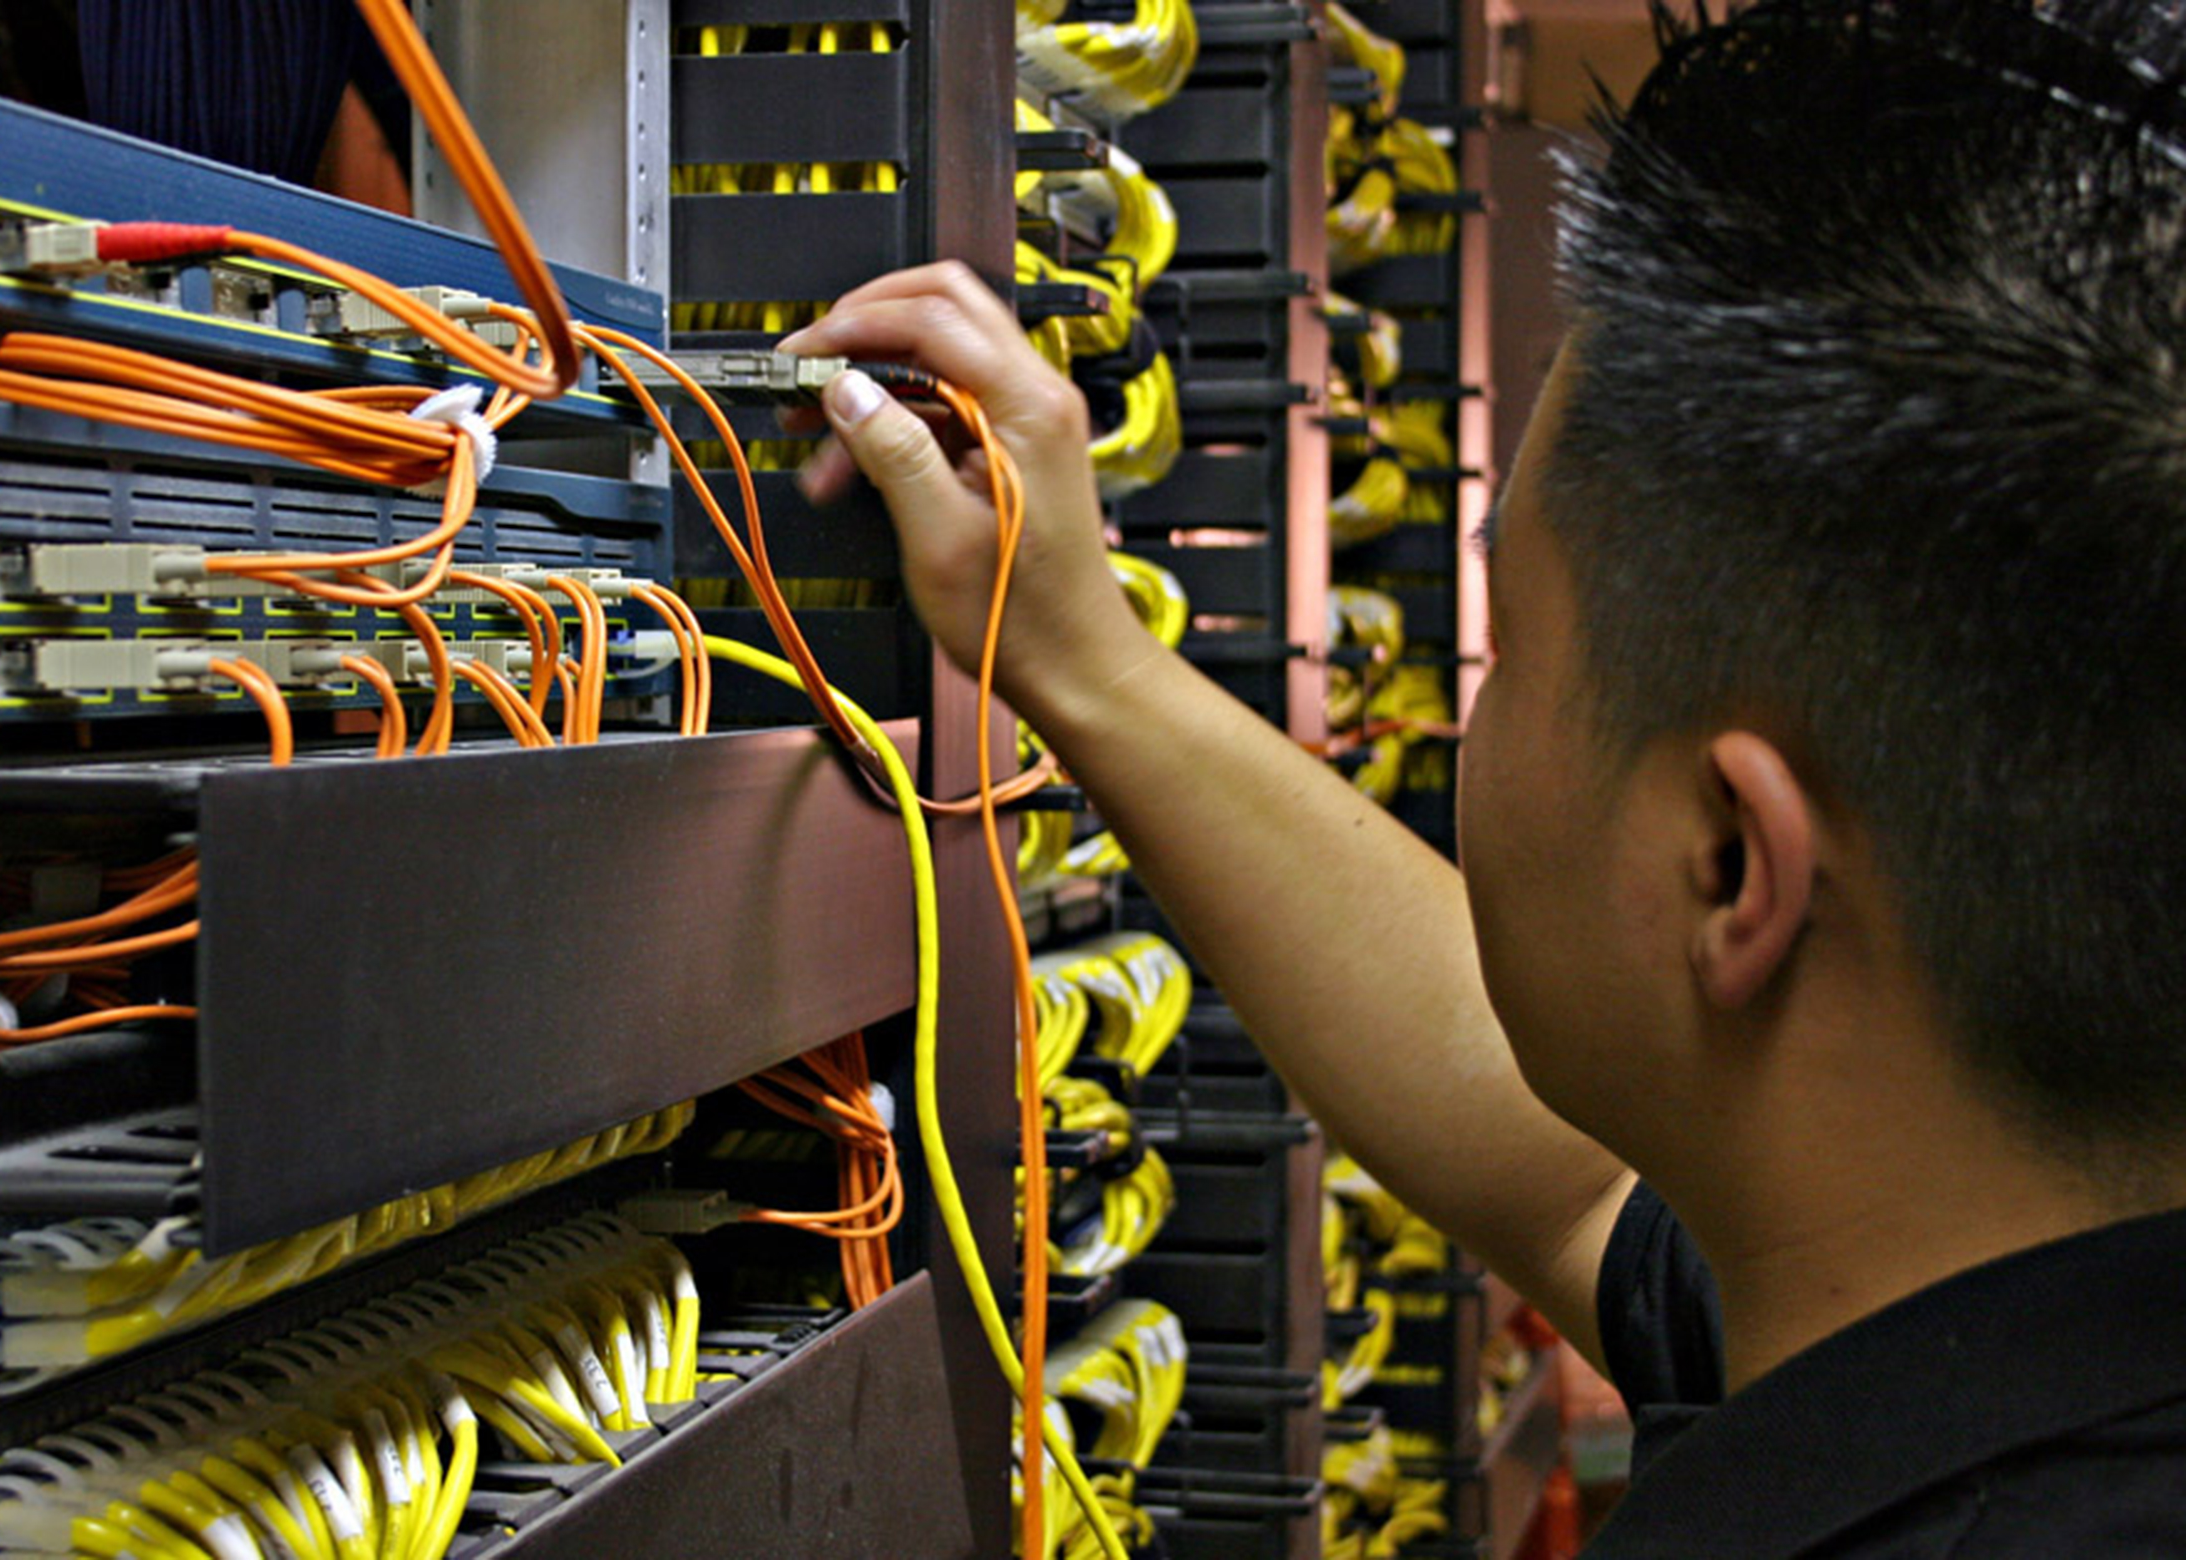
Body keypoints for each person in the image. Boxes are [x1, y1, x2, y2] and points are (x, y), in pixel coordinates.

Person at [779, 0, 2186, 1551]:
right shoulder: (1984, 1316)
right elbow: (1580, 1192)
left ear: (1727, 862)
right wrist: (1081, 659)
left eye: (1508, 638)